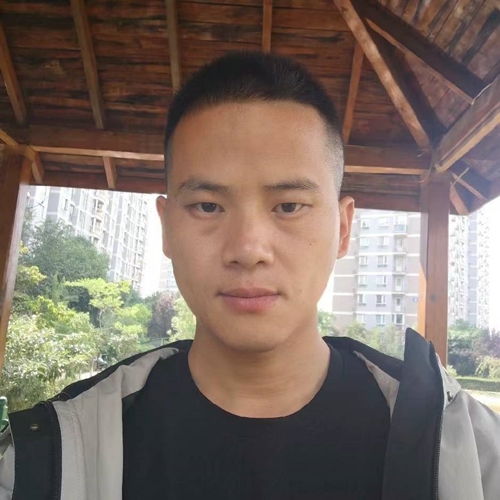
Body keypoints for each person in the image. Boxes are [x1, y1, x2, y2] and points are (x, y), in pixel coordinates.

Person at [1, 51, 499, 500]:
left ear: (343, 229)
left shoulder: (468, 449)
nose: (247, 249)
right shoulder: (49, 456)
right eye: (207, 205)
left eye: (289, 205)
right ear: (167, 228)